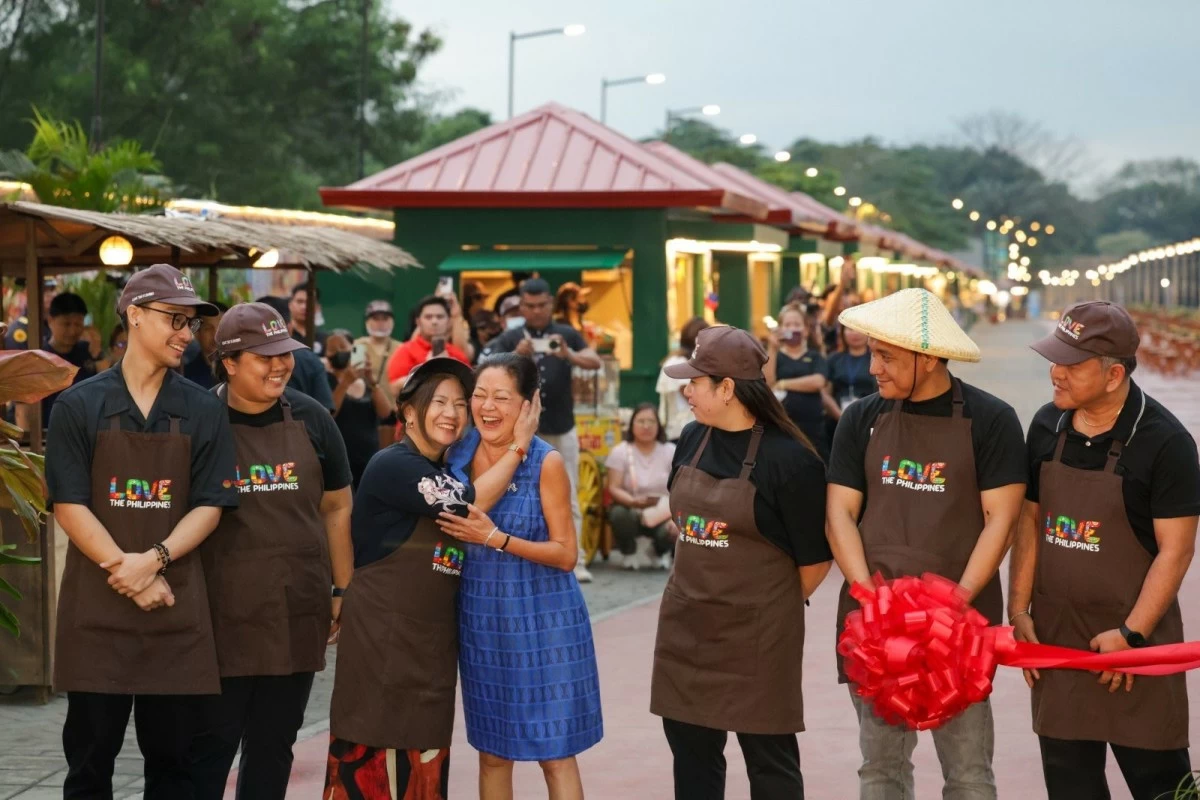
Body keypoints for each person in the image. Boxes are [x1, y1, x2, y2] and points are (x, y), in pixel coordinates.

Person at [824, 288, 1027, 800]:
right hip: (873, 632)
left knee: (968, 776)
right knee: (881, 771)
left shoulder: (991, 420)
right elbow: (840, 514)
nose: (873, 368)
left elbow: (999, 522)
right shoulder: (859, 419)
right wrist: (870, 597)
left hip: (960, 632)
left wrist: (955, 602)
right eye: (871, 352)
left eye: (886, 356)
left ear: (930, 357)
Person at [45, 264, 236, 798]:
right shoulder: (79, 405)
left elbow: (210, 505)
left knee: (174, 769)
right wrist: (127, 571)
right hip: (97, 616)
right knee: (88, 766)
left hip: (174, 612)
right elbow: (70, 503)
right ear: (134, 315)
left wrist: (151, 561)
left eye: (191, 323)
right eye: (174, 319)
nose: (186, 333)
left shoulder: (202, 408)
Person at [1009, 301, 1200, 799]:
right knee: (1071, 787)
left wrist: (1132, 635)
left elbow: (1176, 551)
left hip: (1136, 649)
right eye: (1054, 360)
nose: (1055, 374)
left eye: (1070, 366)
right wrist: (1018, 607)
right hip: (1058, 641)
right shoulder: (1047, 426)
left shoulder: (1165, 443)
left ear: (1113, 374)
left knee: (1163, 787)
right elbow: (1029, 520)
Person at [325, 358, 539, 800]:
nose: (452, 413)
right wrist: (519, 446)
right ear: (407, 412)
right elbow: (466, 504)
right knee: (370, 770)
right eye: (438, 402)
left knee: (424, 775)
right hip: (382, 643)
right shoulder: (394, 465)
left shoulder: (442, 470)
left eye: (461, 404)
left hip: (429, 649)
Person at [650, 325, 831, 800]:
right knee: (692, 759)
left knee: (769, 765)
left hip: (758, 641)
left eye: (695, 381)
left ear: (727, 389)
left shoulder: (790, 462)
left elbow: (814, 562)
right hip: (686, 627)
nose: (685, 389)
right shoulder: (692, 438)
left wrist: (760, 611)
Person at [190, 303, 355, 800]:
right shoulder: (198, 419)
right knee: (210, 747)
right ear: (230, 362)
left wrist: (342, 587)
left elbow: (337, 507)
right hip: (220, 613)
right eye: (265, 356)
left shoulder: (312, 418)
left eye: (285, 352)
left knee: (273, 745)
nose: (280, 364)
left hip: (294, 610)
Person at [440, 353, 603, 799]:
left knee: (556, 753)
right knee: (492, 752)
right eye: (479, 396)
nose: (487, 408)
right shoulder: (455, 454)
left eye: (501, 398)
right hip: (482, 621)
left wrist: (497, 538)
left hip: (546, 622)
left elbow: (567, 553)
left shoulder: (545, 463)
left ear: (529, 405)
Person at [481, 278, 603, 583]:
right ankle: (520, 553)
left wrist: (568, 355)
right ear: (521, 306)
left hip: (562, 426)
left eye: (541, 305)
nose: (536, 311)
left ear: (550, 303)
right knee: (516, 491)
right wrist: (518, 356)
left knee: (570, 491)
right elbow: (482, 365)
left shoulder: (565, 333)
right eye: (529, 306)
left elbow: (594, 360)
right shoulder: (509, 338)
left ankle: (577, 560)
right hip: (518, 430)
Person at [605, 403, 676, 570]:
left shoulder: (671, 451)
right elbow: (613, 487)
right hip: (631, 509)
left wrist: (675, 515)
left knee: (677, 526)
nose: (646, 426)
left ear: (659, 425)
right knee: (618, 514)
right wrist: (634, 502)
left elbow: (680, 488)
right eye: (641, 421)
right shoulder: (620, 451)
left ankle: (658, 552)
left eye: (651, 422)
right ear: (632, 425)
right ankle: (628, 552)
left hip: (663, 512)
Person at [326, 330, 394, 488]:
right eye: (332, 349)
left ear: (353, 349)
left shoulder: (367, 382)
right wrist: (345, 383)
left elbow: (385, 412)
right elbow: (329, 414)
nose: (338, 352)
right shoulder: (325, 379)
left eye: (342, 346)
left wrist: (371, 380)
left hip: (368, 458)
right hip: (340, 459)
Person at [23, 292, 99, 429]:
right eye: (66, 324)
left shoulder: (87, 352)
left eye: (78, 324)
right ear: (50, 320)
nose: (73, 330)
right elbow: (23, 411)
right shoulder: (38, 359)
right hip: (47, 436)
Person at [764, 304, 829, 459]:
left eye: (797, 325)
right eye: (787, 325)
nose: (792, 329)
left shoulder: (815, 357)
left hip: (812, 428)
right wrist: (772, 348)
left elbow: (818, 381)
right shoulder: (775, 357)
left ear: (806, 330)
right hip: (782, 426)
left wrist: (783, 384)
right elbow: (768, 383)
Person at [256, 295, 334, 411]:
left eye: (285, 355)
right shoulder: (311, 360)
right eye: (264, 358)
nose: (277, 367)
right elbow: (326, 410)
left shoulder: (310, 358)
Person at [386, 295, 471, 394]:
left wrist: (451, 366)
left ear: (448, 321)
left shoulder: (456, 354)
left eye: (440, 317)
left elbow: (470, 388)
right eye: (428, 317)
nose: (434, 321)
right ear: (418, 321)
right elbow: (394, 389)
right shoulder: (405, 351)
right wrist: (426, 369)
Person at [822, 322, 877, 445]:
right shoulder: (833, 359)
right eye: (850, 329)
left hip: (869, 420)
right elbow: (825, 393)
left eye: (859, 329)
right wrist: (842, 416)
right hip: (836, 421)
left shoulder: (876, 358)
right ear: (842, 332)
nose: (855, 333)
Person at [657, 317, 709, 443]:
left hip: (684, 430)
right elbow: (691, 396)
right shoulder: (679, 362)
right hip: (682, 431)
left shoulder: (678, 360)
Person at [182, 300, 228, 389]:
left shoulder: (242, 372)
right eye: (208, 328)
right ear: (197, 333)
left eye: (222, 327)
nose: (216, 335)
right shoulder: (187, 377)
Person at [3, 276, 56, 349]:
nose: (51, 294)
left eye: (52, 289)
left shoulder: (54, 325)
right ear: (27, 293)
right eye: (44, 290)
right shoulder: (19, 330)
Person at [287, 281, 326, 355]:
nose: (304, 307)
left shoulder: (324, 339)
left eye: (309, 302)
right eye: (300, 301)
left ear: (317, 307)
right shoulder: (282, 335)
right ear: (290, 305)